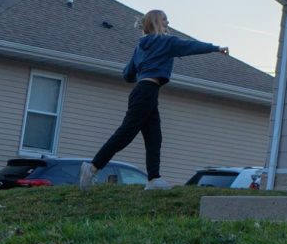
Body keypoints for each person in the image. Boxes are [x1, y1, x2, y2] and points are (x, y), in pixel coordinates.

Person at [80, 10, 228, 191]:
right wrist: (215, 48)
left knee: (154, 136)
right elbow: (190, 46)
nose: (168, 22)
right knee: (126, 133)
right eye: (165, 19)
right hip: (147, 92)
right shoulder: (166, 41)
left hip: (143, 90)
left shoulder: (141, 46)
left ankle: (153, 179)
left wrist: (144, 69)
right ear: (157, 22)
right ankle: (93, 167)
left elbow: (127, 74)